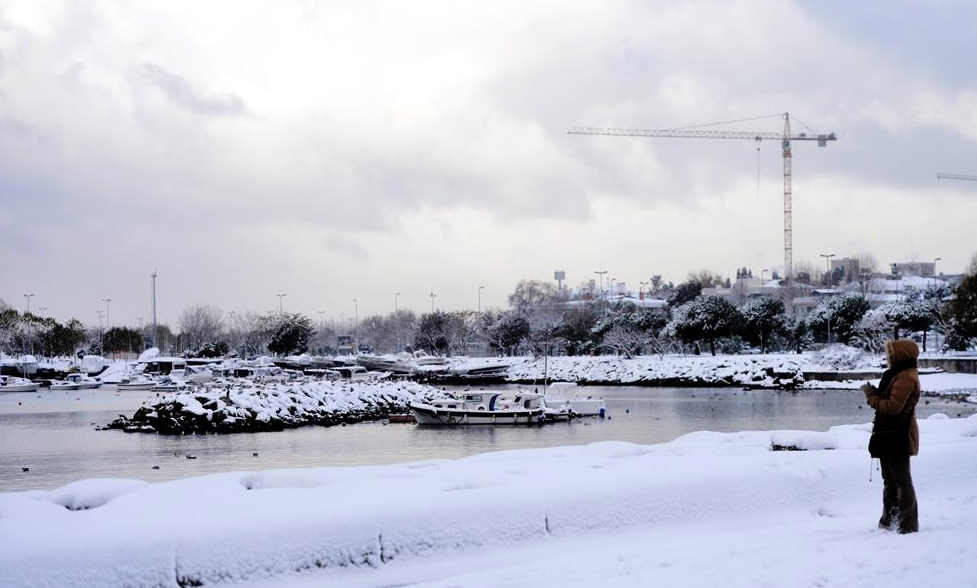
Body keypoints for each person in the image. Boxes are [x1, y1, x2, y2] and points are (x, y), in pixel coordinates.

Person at [860, 339, 921, 534]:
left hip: (899, 434)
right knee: (890, 480)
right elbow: (890, 400)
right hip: (889, 433)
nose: (888, 356)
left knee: (901, 480)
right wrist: (876, 394)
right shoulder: (897, 374)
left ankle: (907, 525)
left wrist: (871, 398)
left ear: (899, 354)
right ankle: (890, 521)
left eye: (890, 352)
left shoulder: (905, 377)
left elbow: (893, 407)